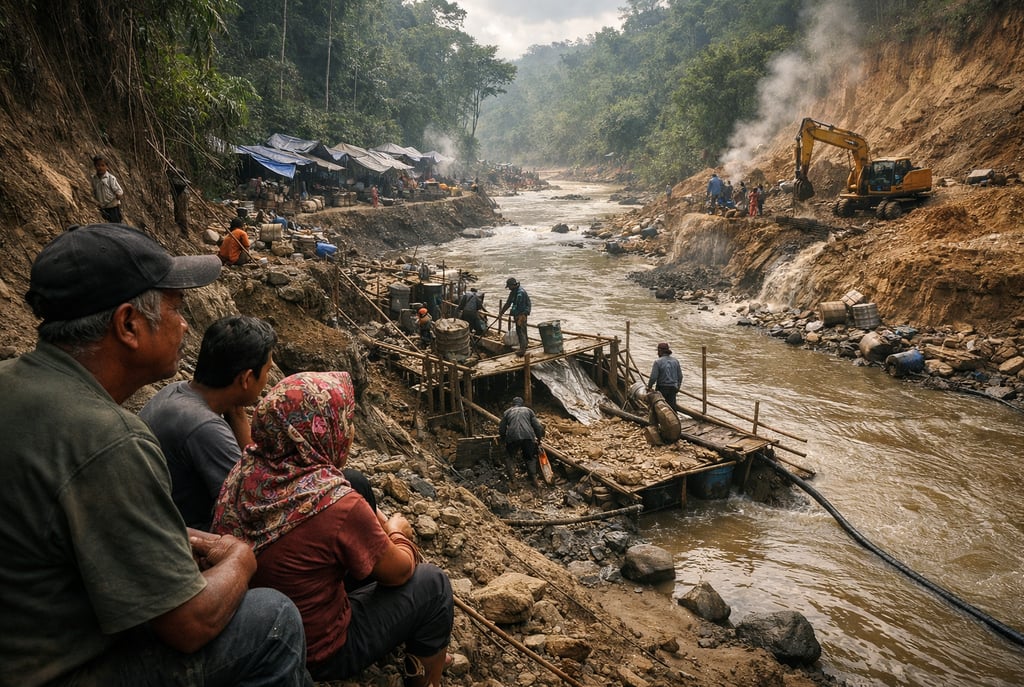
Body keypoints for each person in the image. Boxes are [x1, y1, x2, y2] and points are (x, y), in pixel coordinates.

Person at [0, 223, 310, 687]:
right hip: (56, 670)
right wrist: (242, 556)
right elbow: (190, 626)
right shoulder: (109, 440)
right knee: (272, 617)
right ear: (128, 324)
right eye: (176, 308)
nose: (185, 324)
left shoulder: (15, 380)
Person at [212, 371, 454, 686]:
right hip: (315, 650)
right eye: (344, 423)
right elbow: (400, 572)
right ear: (322, 432)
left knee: (356, 481)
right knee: (433, 585)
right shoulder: (336, 506)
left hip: (253, 629)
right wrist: (396, 532)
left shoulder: (245, 470)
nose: (349, 432)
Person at [140, 315, 278, 530]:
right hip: (184, 536)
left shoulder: (177, 392)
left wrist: (236, 408)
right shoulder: (204, 427)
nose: (268, 379)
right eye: (268, 370)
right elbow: (252, 504)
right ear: (246, 378)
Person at [499, 396, 546, 489]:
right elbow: (538, 426)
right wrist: (539, 439)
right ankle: (533, 479)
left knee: (510, 457)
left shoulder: (507, 412)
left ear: (513, 404)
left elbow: (502, 428)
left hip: (512, 437)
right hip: (528, 437)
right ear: (522, 403)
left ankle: (513, 480)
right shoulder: (528, 411)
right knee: (530, 458)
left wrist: (503, 439)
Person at [498, 277, 531, 356]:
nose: (508, 288)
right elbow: (508, 303)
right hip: (518, 313)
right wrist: (501, 312)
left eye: (509, 286)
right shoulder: (513, 292)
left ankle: (522, 349)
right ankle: (525, 345)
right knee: (521, 329)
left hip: (522, 313)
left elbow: (518, 306)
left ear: (513, 285)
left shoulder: (520, 293)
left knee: (520, 330)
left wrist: (517, 314)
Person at [648, 342, 682, 411]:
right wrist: (678, 387)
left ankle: (658, 421)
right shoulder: (675, 361)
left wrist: (649, 387)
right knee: (672, 408)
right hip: (673, 388)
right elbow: (680, 376)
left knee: (659, 408)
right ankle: (674, 420)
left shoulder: (658, 362)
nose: (657, 353)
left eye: (658, 351)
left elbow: (653, 377)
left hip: (662, 388)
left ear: (660, 351)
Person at [91, 154, 124, 223]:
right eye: (98, 165)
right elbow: (94, 191)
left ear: (106, 167)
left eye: (102, 165)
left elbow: (119, 190)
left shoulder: (110, 178)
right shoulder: (94, 179)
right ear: (95, 166)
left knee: (116, 226)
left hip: (113, 207)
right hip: (102, 208)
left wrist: (118, 195)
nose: (100, 167)